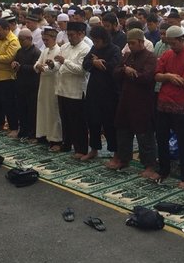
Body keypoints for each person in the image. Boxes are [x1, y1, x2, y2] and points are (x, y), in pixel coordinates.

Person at [154, 25, 184, 188]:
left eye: (173, 43)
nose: (171, 47)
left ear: (182, 40)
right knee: (161, 137)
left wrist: (169, 78)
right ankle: (164, 170)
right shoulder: (167, 54)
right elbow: (157, 76)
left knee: (182, 141)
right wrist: (168, 76)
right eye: (169, 44)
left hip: (182, 104)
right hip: (164, 103)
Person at [113, 28, 158, 175]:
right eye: (128, 43)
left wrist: (133, 73)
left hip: (142, 103)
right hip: (125, 100)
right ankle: (123, 159)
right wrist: (125, 71)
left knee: (144, 135)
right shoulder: (126, 56)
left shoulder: (150, 57)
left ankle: (149, 165)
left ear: (141, 42)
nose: (130, 46)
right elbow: (116, 72)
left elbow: (147, 77)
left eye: (132, 43)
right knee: (123, 132)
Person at [82, 26, 122, 161]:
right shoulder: (94, 49)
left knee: (109, 124)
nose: (95, 43)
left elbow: (113, 67)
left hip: (109, 93)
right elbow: (85, 64)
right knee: (93, 122)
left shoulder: (114, 49)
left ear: (104, 39)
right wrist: (94, 62)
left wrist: (99, 64)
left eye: (97, 40)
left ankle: (116, 153)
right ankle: (94, 149)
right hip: (93, 90)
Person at [55, 21, 91, 157]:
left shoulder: (85, 49)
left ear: (81, 34)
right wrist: (52, 65)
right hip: (62, 88)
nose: (70, 37)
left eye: (72, 35)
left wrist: (65, 61)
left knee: (78, 122)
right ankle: (66, 144)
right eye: (68, 35)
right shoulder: (64, 47)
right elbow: (59, 65)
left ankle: (80, 149)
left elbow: (81, 71)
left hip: (76, 91)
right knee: (65, 120)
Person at [34, 27, 63, 150]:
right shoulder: (45, 50)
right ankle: (43, 135)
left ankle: (56, 139)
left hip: (53, 85)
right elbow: (37, 63)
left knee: (53, 111)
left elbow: (56, 67)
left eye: (47, 39)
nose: (45, 42)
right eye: (43, 39)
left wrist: (45, 68)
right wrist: (38, 66)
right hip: (43, 84)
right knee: (43, 109)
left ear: (53, 38)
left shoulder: (59, 50)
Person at [12, 28, 41, 140]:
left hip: (32, 85)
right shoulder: (20, 51)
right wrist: (14, 64)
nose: (20, 42)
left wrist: (21, 67)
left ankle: (32, 133)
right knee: (21, 109)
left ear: (29, 39)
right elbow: (15, 61)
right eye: (19, 40)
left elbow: (36, 68)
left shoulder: (36, 52)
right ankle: (23, 131)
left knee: (31, 110)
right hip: (20, 84)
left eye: (22, 40)